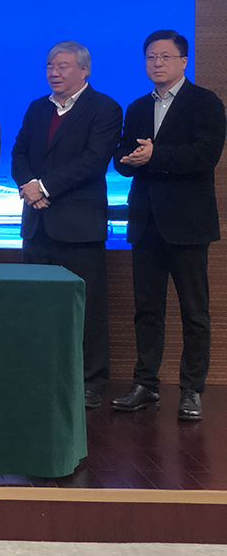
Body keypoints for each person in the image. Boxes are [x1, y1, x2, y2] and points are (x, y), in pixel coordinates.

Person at [111, 30, 226, 421]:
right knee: (147, 310)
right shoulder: (138, 106)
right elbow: (122, 155)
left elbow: (206, 155)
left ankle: (191, 390)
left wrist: (155, 155)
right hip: (145, 222)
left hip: (188, 224)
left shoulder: (205, 102)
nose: (156, 63)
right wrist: (127, 160)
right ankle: (146, 385)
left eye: (164, 56)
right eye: (150, 57)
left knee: (194, 312)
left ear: (183, 61)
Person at [11, 41, 122, 410]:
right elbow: (19, 152)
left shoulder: (104, 108)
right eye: (50, 66)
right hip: (37, 224)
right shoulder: (37, 108)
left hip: (79, 227)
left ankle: (91, 381)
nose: (54, 73)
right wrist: (29, 187)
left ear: (84, 70)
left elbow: (93, 161)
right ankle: (38, 373)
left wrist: (43, 187)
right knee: (35, 305)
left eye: (62, 66)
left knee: (86, 308)